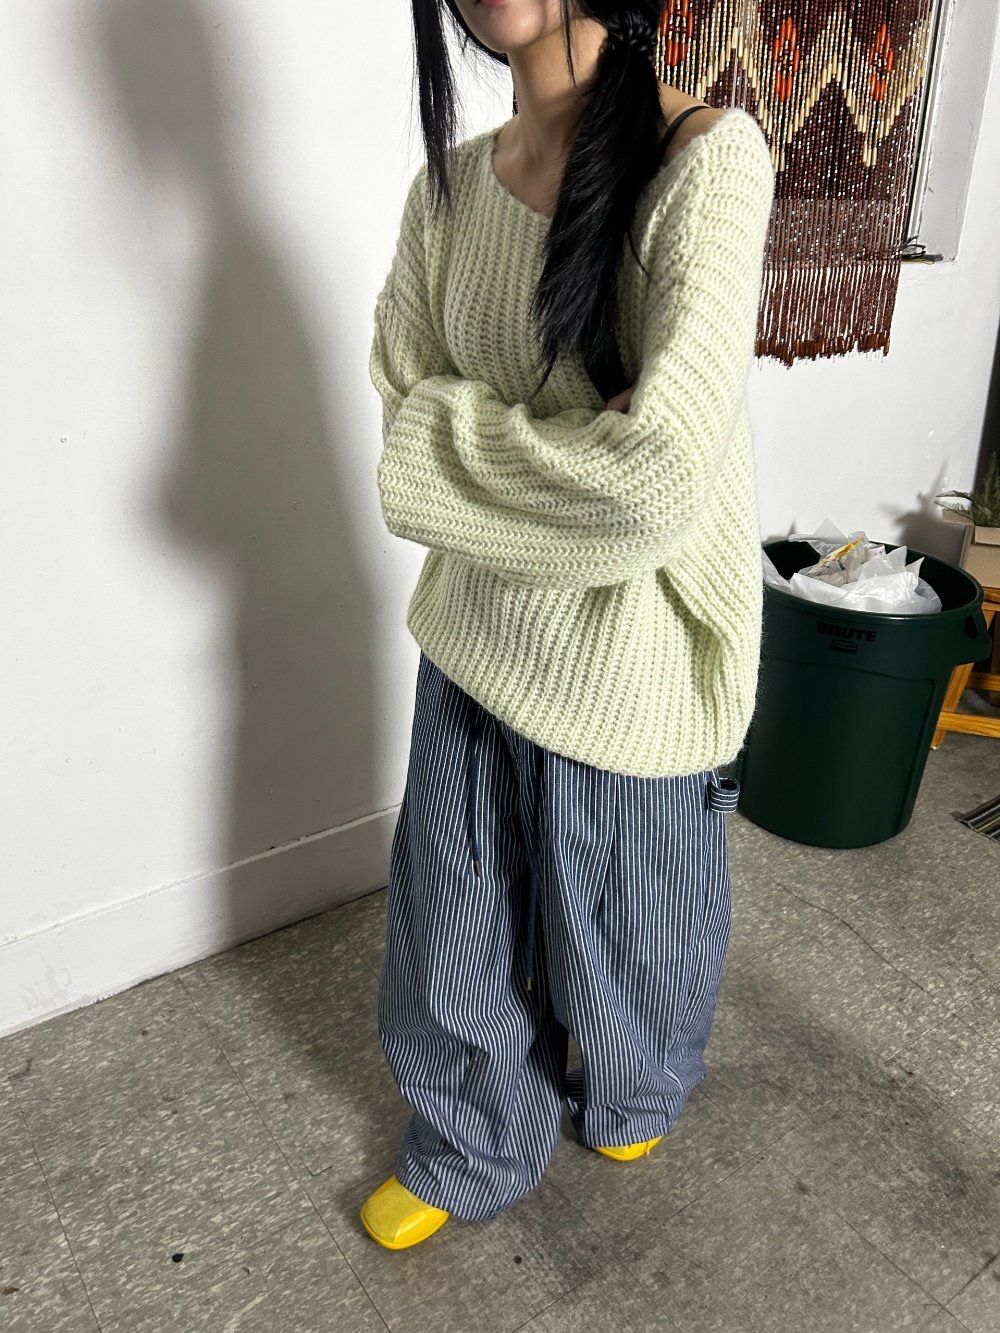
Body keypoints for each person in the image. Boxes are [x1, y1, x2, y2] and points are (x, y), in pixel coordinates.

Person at [361, 0, 775, 1249]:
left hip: (632, 649)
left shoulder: (706, 163)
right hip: (475, 630)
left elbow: (655, 482)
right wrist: (572, 443)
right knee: (453, 916)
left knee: (633, 919)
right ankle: (471, 1138)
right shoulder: (443, 192)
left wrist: (457, 433)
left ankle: (633, 1088)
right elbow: (397, 409)